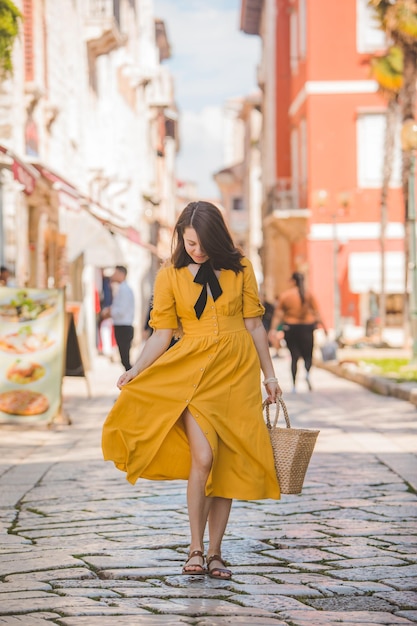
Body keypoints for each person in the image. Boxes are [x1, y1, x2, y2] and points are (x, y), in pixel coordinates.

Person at [102, 201, 282, 579]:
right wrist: (135, 369)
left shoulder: (241, 269)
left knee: (227, 461)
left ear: (216, 237)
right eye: (189, 243)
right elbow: (162, 333)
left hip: (237, 373)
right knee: (202, 457)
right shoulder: (170, 276)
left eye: (201, 243)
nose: (195, 251)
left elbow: (254, 327)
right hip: (193, 371)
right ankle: (195, 547)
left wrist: (270, 377)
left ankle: (216, 552)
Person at [271, 272, 327, 392]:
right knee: (308, 355)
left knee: (294, 357)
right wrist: (325, 327)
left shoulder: (286, 296)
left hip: (291, 328)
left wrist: (273, 330)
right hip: (307, 327)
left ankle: (294, 385)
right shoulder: (309, 295)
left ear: (293, 281)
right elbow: (317, 313)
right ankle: (307, 374)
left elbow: (278, 314)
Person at [101, 266, 135, 370]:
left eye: (115, 273)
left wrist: (109, 313)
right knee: (124, 358)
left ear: (121, 274)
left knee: (125, 359)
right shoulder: (121, 289)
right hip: (122, 326)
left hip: (124, 326)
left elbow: (121, 311)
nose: (113, 276)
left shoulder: (124, 290)